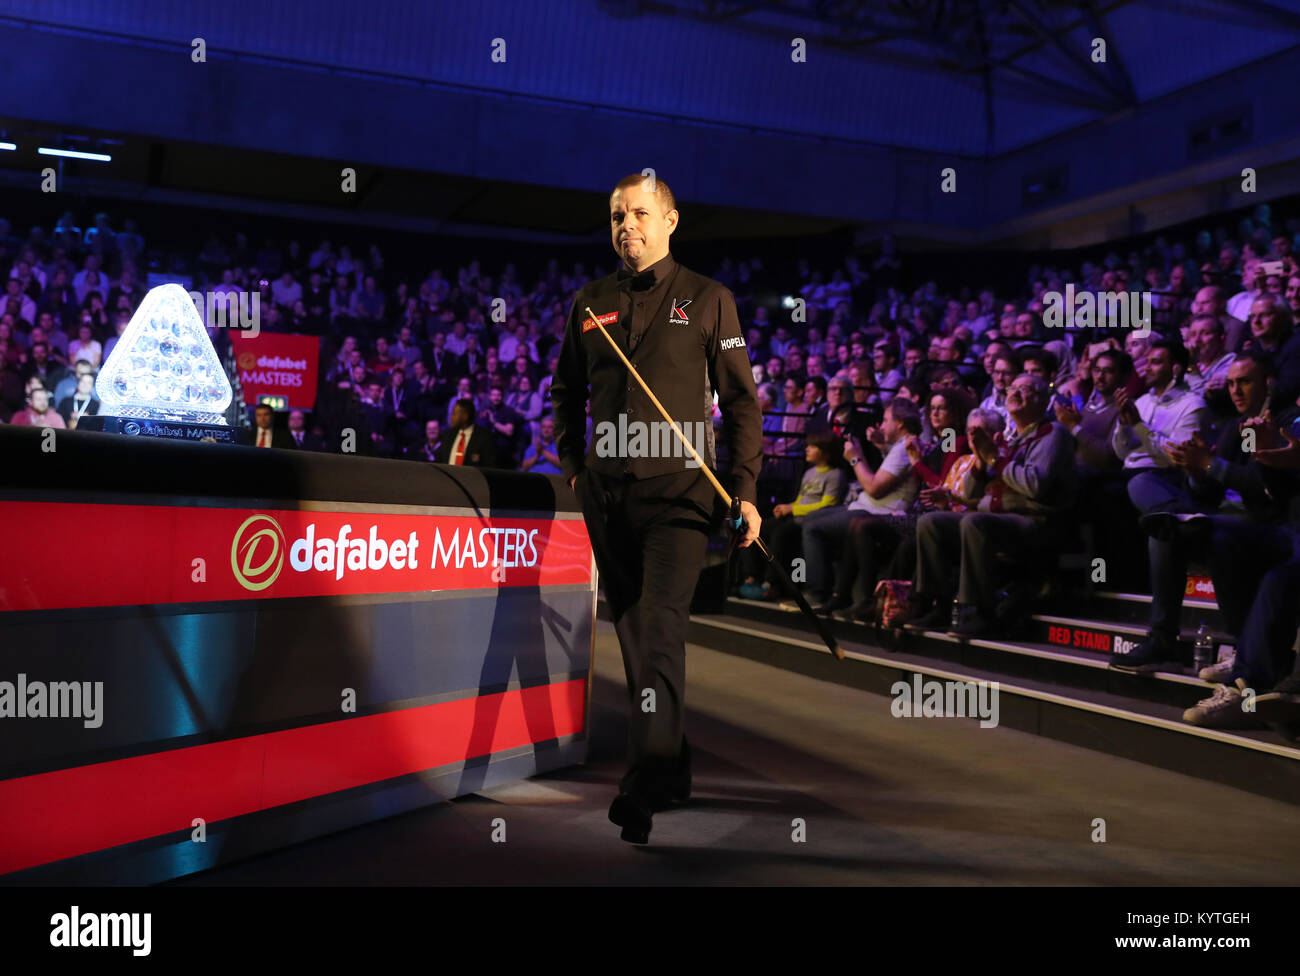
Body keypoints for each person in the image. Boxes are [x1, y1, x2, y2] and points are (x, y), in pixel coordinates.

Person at [549, 173, 761, 845]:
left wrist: (747, 490)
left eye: (640, 212)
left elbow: (743, 403)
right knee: (637, 639)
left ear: (671, 220)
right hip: (608, 499)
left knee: (661, 631)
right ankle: (675, 761)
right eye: (616, 215)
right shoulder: (589, 301)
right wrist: (576, 469)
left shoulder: (709, 299)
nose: (627, 224)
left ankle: (645, 779)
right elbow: (564, 394)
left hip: (681, 497)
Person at [438, 396, 496, 467]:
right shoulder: (447, 436)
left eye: (454, 413)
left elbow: (488, 465)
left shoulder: (484, 438)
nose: (451, 417)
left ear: (465, 416)